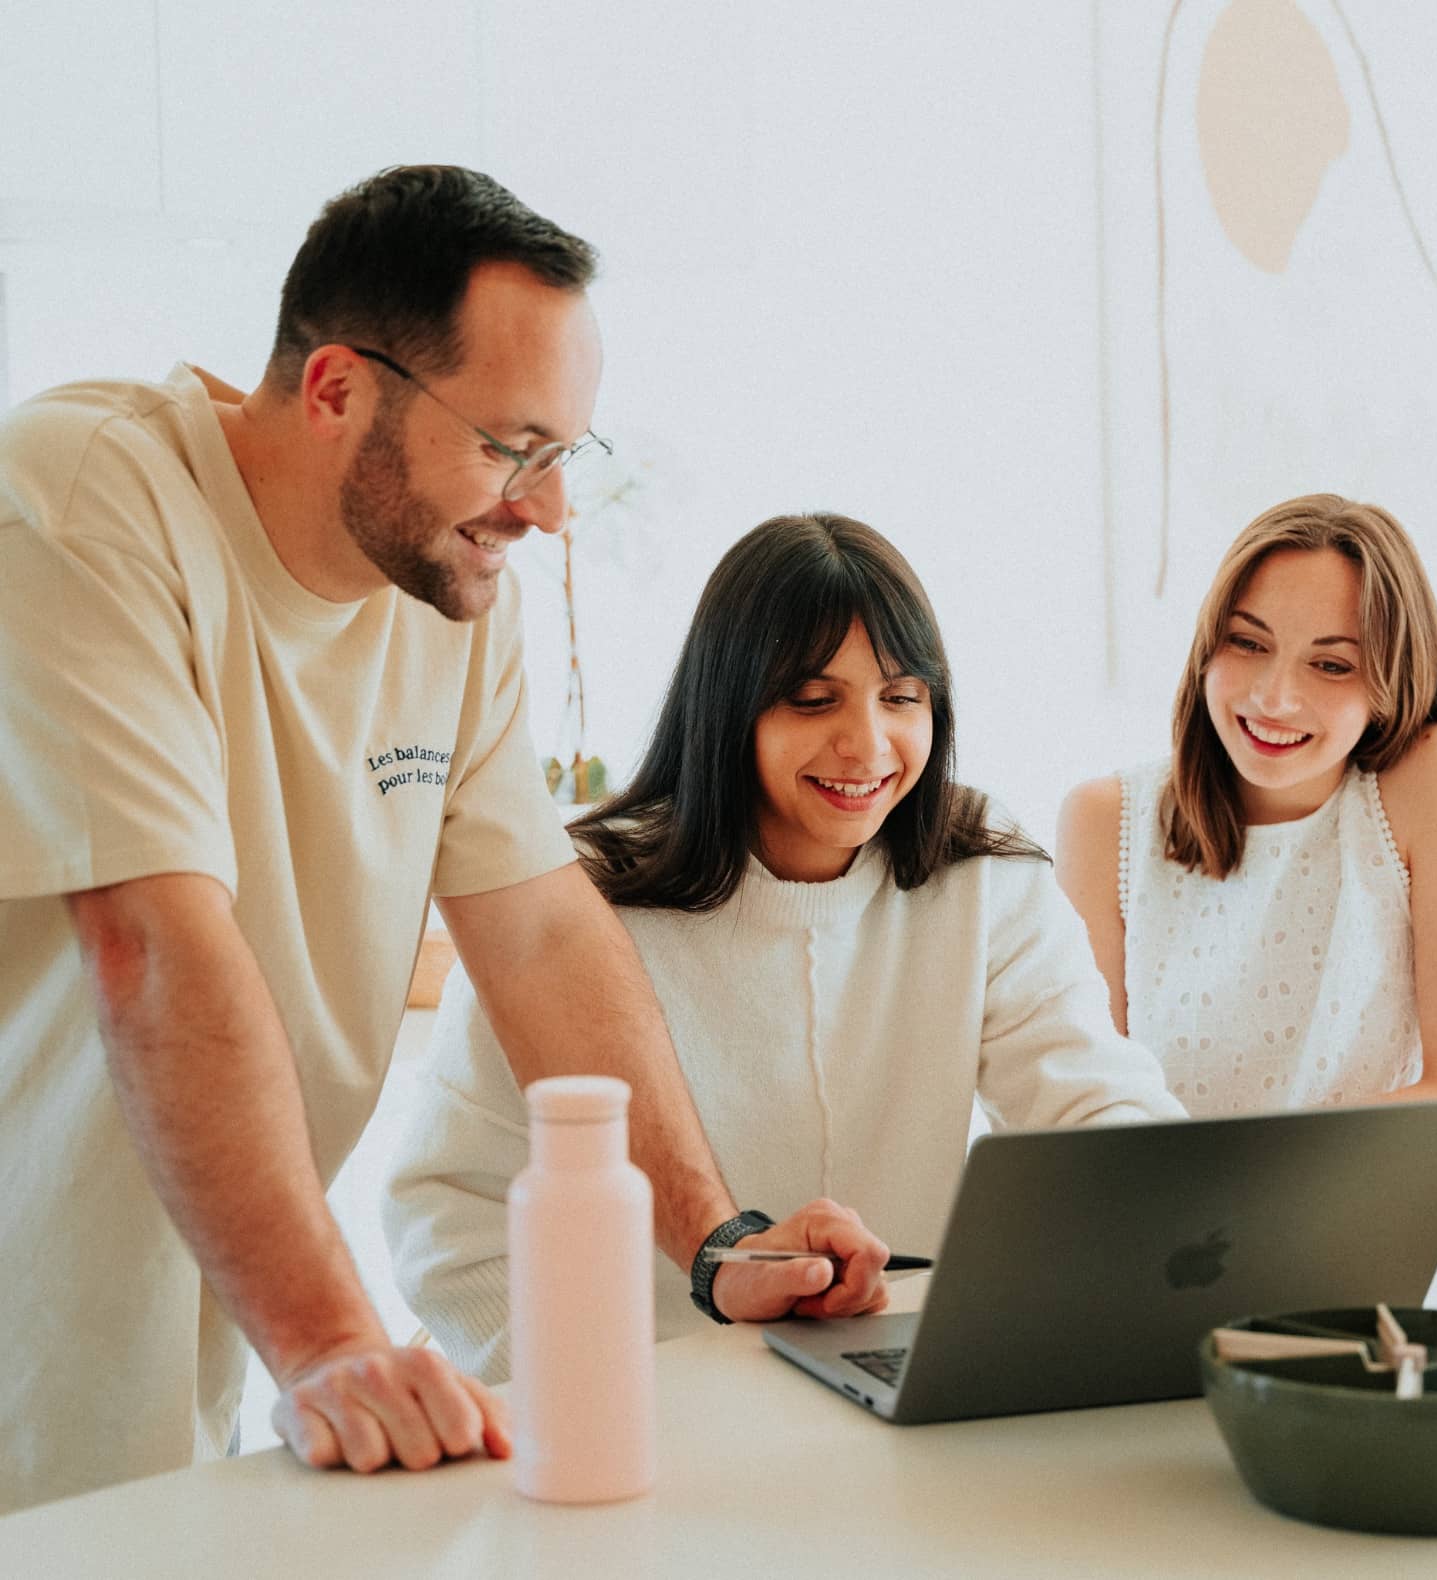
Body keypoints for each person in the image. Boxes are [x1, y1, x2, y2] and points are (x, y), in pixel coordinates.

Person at [0, 167, 888, 1515]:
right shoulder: (82, 504)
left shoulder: (451, 595)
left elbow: (537, 934)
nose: (545, 509)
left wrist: (716, 1239)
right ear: (338, 389)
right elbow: (151, 944)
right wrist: (337, 1342)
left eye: (564, 456)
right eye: (509, 446)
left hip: (194, 1310)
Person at [382, 513, 1185, 1375]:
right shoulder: (574, 894)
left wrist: (1179, 1206)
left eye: (901, 696)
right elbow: (451, 1216)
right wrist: (619, 1390)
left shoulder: (979, 868)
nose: (868, 744)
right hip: (645, 1403)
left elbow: (1091, 1103)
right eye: (813, 699)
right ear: (729, 708)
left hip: (891, 1384)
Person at [1056, 494, 1437, 1116]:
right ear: (1207, 647)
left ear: (1388, 680)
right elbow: (1088, 1108)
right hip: (1158, 1209)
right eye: (1247, 643)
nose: (1275, 698)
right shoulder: (1106, 820)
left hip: (1361, 1208)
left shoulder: (1431, 778)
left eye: (1330, 664)